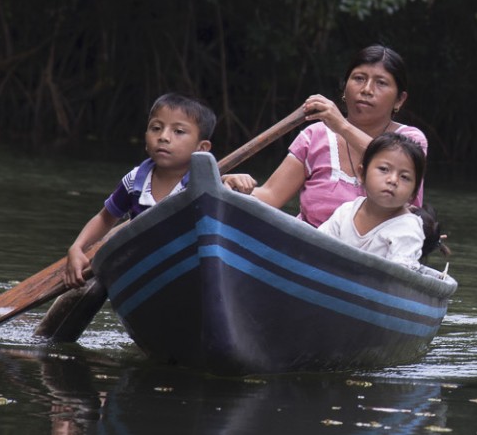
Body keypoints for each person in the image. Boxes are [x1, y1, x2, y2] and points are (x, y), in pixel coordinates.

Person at [224, 45, 427, 227]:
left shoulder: (411, 140)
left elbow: (392, 160)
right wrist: (231, 188)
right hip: (309, 246)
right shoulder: (315, 136)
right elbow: (270, 196)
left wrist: (341, 125)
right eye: (359, 79)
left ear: (399, 100)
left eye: (381, 83)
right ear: (345, 88)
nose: (366, 90)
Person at [64, 93, 216, 286]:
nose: (163, 137)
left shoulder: (205, 182)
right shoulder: (136, 180)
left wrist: (234, 180)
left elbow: (225, 208)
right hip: (140, 272)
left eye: (178, 131)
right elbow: (105, 218)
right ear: (145, 138)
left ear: (202, 148)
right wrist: (77, 248)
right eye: (156, 128)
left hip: (187, 271)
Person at [318, 133, 428, 266]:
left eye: (404, 177)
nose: (393, 180)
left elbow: (397, 276)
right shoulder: (345, 212)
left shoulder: (407, 228)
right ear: (361, 174)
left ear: (414, 192)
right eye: (384, 169)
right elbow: (318, 246)